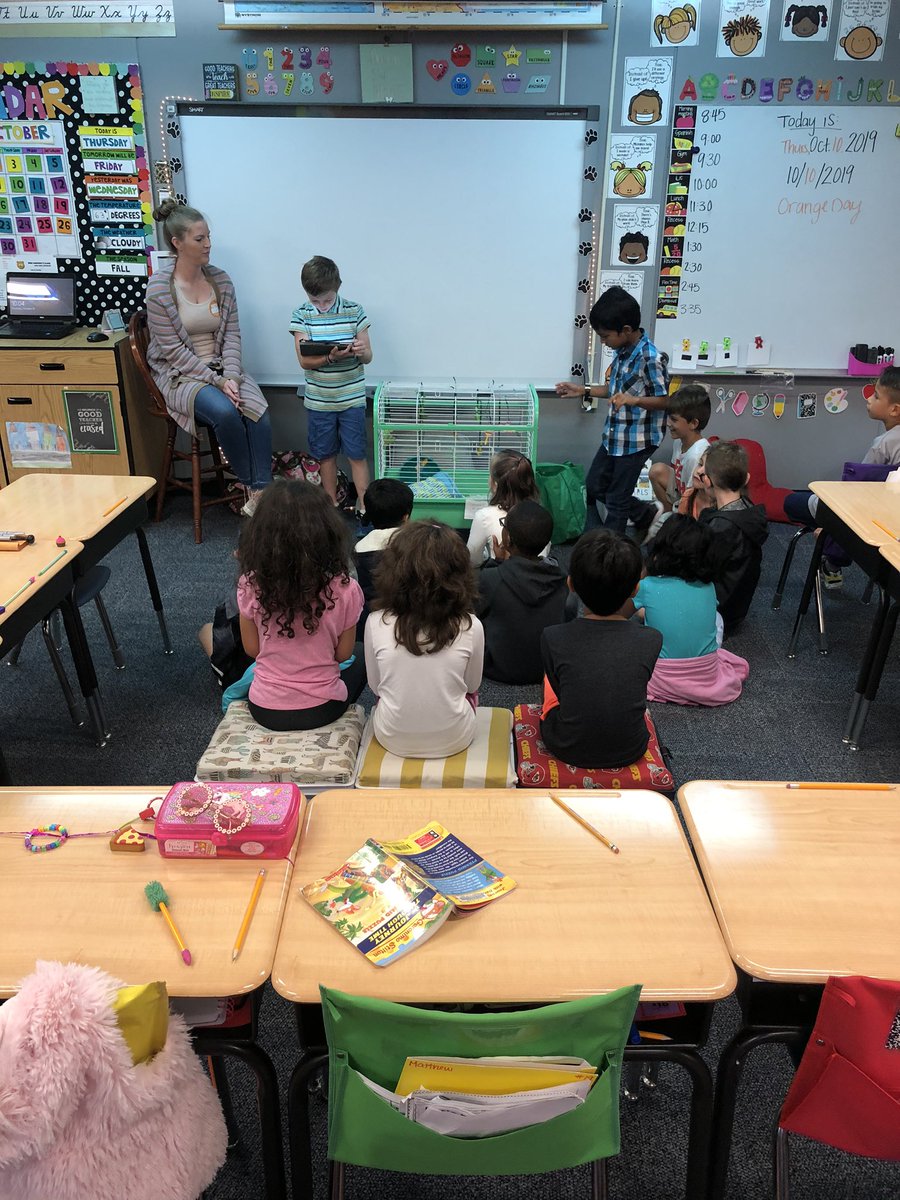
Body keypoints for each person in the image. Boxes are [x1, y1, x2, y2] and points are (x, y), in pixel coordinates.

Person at [146, 199, 272, 516]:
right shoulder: (159, 289)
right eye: (199, 239)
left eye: (208, 237)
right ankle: (253, 488)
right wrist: (216, 381)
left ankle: (261, 493)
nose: (208, 244)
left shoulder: (221, 280)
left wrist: (230, 376)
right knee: (226, 412)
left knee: (259, 411)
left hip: (221, 368)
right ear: (177, 243)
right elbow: (173, 353)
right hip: (180, 375)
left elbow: (231, 335)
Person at [236, 479, 366, 731]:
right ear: (328, 532)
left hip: (264, 708)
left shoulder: (249, 584)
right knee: (360, 655)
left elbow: (252, 649)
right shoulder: (346, 588)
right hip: (324, 708)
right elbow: (343, 655)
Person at [540, 529, 662, 769]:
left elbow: (560, 689)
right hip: (632, 746)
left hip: (566, 746)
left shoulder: (553, 637)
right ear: (635, 589)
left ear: (570, 584)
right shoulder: (652, 639)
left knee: (553, 683)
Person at [555, 286, 669, 537]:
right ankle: (645, 514)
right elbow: (614, 389)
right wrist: (582, 390)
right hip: (615, 437)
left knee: (617, 501)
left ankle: (610, 557)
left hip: (637, 440)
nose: (603, 342)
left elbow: (664, 400)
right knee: (595, 485)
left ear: (626, 330)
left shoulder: (651, 358)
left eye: (605, 337)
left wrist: (634, 400)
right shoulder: (622, 352)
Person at [365, 521, 483, 757]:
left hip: (390, 736)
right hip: (457, 738)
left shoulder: (376, 622)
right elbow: (472, 686)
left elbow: (375, 686)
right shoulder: (471, 626)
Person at [783, 366, 900, 588]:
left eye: (875, 395)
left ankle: (832, 555)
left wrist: (829, 523)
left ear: (894, 410)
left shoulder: (884, 444)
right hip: (888, 520)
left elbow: (857, 490)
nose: (869, 399)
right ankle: (833, 559)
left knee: (791, 502)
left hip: (864, 517)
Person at [627, 515, 749, 705]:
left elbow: (619, 616)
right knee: (716, 618)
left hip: (661, 678)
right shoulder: (708, 587)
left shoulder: (648, 586)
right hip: (707, 675)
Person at [289, 255, 372, 512]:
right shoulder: (302, 314)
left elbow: (368, 357)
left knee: (357, 454)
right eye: (316, 301)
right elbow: (304, 361)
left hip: (352, 397)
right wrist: (329, 357)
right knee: (325, 455)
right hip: (319, 400)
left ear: (338, 287)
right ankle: (331, 506)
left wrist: (359, 350)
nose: (322, 305)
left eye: (327, 299)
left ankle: (365, 507)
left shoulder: (354, 310)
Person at [477, 500, 575, 684]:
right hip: (547, 668)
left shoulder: (490, 578)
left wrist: (496, 563)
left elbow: (474, 614)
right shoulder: (563, 580)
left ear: (508, 539)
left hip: (497, 669)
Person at [698, 441, 769, 633]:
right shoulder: (748, 510)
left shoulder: (720, 527)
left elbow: (698, 570)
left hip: (716, 613)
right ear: (746, 478)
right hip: (736, 608)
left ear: (707, 480)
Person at [647, 382, 712, 537]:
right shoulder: (679, 441)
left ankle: (675, 524)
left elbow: (695, 497)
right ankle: (669, 515)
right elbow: (675, 471)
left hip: (693, 503)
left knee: (655, 536)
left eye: (674, 420)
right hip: (680, 491)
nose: (668, 423)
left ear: (693, 423)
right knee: (656, 471)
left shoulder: (697, 455)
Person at [353, 477, 414, 633]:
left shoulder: (358, 548)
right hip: (413, 620)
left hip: (371, 623)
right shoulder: (417, 545)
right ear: (406, 516)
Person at [466, 449, 545, 564]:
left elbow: (472, 561)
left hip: (500, 575)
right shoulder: (541, 514)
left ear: (496, 485)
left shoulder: (484, 516)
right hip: (537, 575)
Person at [677, 447, 716, 520]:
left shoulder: (724, 507)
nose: (699, 471)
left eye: (708, 469)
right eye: (700, 464)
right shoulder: (688, 495)